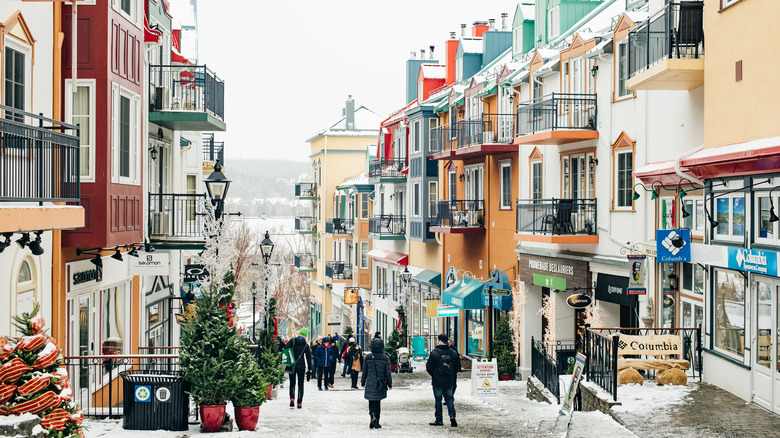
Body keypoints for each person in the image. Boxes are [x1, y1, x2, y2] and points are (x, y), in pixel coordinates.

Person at [426, 334, 459, 427]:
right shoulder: (453, 352)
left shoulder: (434, 353)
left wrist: (434, 374)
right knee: (449, 398)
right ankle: (452, 417)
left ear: (439, 340)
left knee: (438, 399)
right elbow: (456, 366)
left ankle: (439, 420)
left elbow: (429, 367)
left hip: (437, 380)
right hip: (449, 379)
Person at [361, 337, 392, 429]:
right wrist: (389, 384)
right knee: (378, 403)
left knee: (371, 402)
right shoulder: (385, 358)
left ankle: (372, 417)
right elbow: (388, 373)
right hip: (380, 384)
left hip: (370, 382)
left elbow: (365, 371)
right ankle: (377, 421)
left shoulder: (368, 357)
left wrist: (363, 382)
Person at [285, 328, 312, 409]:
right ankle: (299, 402)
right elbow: (308, 357)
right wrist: (310, 368)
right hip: (301, 366)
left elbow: (286, 348)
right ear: (305, 335)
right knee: (301, 384)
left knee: (292, 383)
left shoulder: (293, 341)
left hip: (292, 365)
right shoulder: (305, 345)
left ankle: (292, 399)